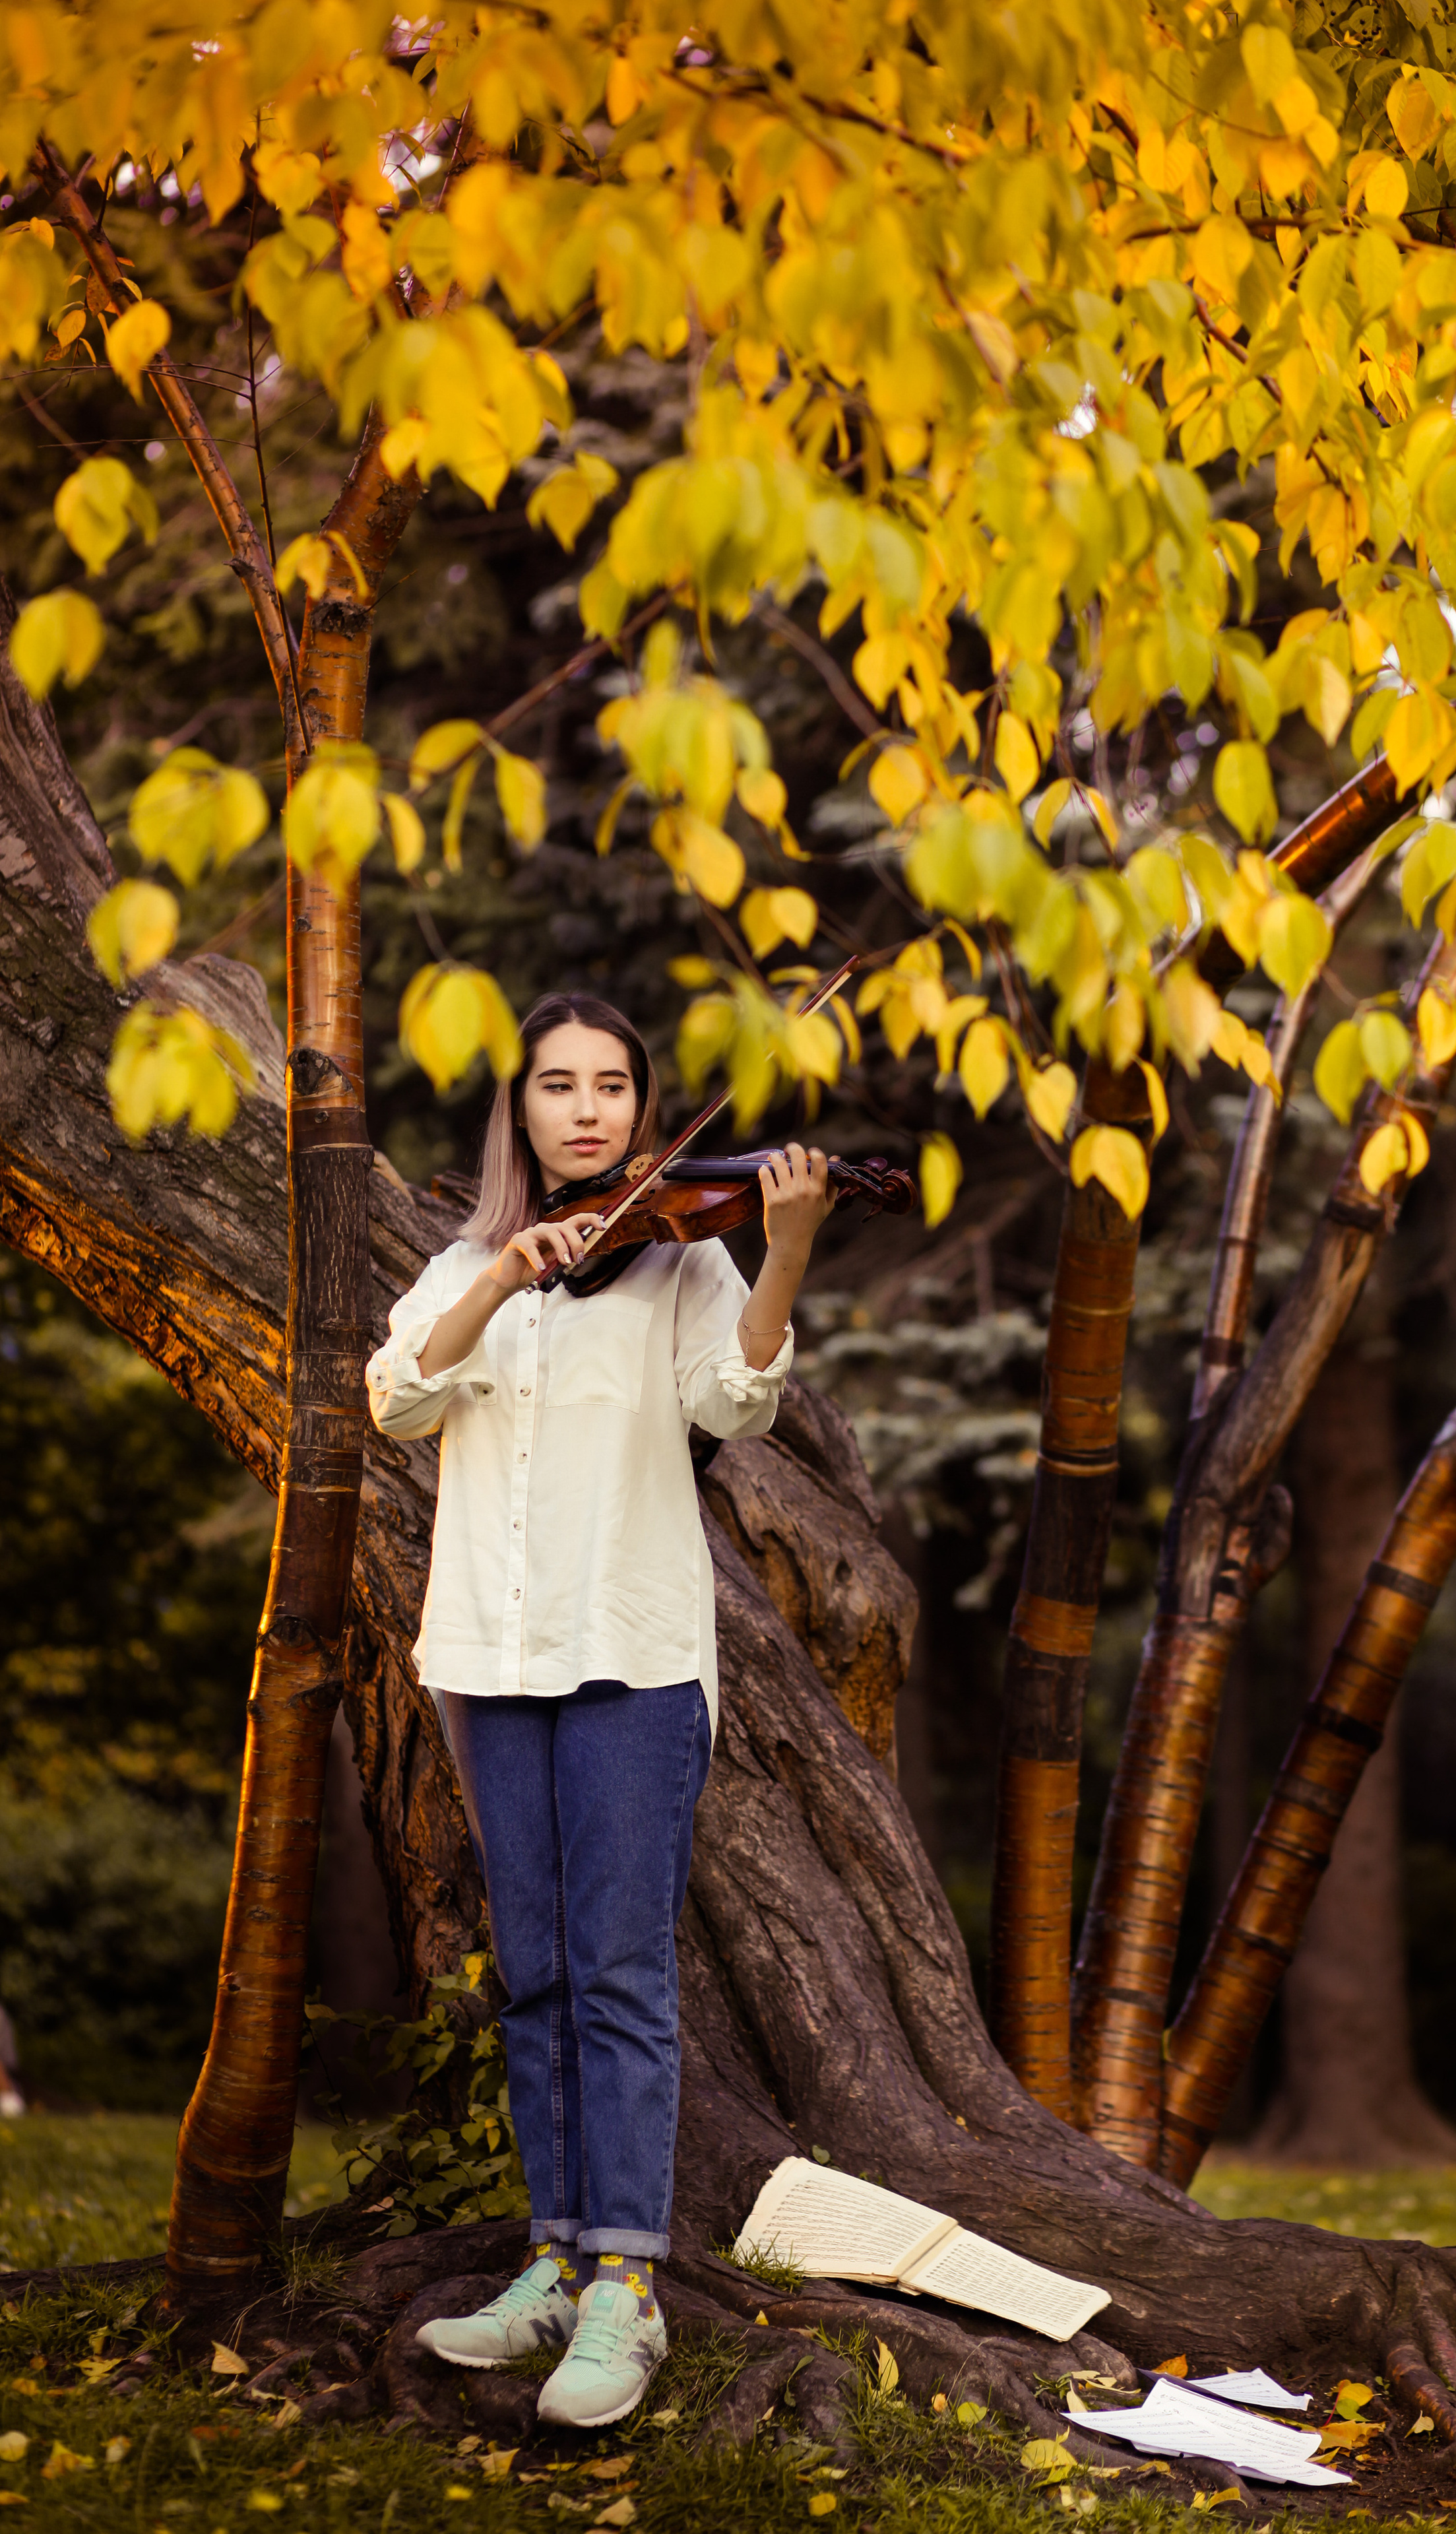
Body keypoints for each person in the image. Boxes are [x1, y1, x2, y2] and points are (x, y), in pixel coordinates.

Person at [365, 991, 834, 2431]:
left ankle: (626, 2287)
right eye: (557, 1085)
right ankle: (552, 2263)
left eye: (612, 1086)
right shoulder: (461, 1264)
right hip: (489, 1665)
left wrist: (788, 1242)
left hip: (629, 1658)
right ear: (518, 1112)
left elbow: (739, 1400)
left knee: (620, 1978)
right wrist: (499, 1276)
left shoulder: (682, 1263)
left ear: (642, 1110)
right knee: (540, 1976)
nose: (585, 1109)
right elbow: (393, 1396)